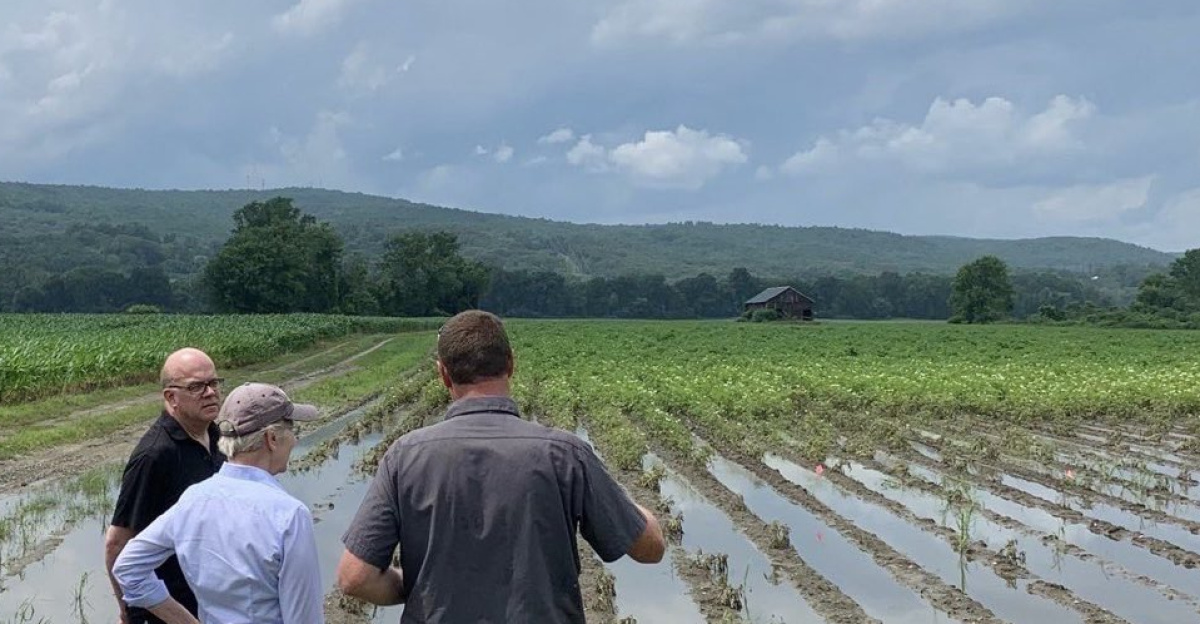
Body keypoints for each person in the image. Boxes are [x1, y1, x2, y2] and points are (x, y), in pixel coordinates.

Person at [336, 310, 666, 622]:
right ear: (510, 365)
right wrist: (627, 506)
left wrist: (416, 587)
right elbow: (649, 549)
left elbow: (354, 577)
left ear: (443, 374)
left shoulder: (405, 456)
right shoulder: (565, 454)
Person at [113, 382, 324, 624]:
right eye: (292, 429)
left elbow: (128, 568)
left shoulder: (193, 499)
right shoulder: (289, 515)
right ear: (272, 438)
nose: (295, 440)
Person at [105, 348, 227, 624]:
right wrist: (127, 608)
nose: (210, 392)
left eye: (214, 383)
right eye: (196, 386)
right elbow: (117, 542)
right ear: (171, 397)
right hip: (163, 607)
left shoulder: (215, 436)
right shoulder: (155, 456)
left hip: (203, 600)